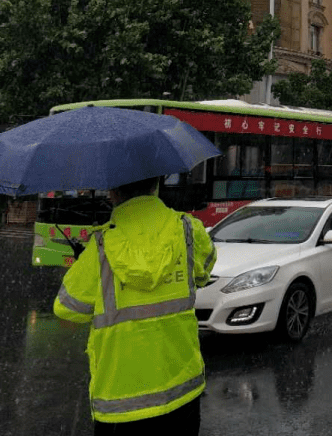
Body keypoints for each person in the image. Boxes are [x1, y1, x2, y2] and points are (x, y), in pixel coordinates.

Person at [54, 175, 216, 434]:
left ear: (113, 193)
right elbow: (204, 271)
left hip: (120, 403)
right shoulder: (188, 229)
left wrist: (84, 264)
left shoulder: (100, 246)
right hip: (182, 393)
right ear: (156, 185)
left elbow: (67, 308)